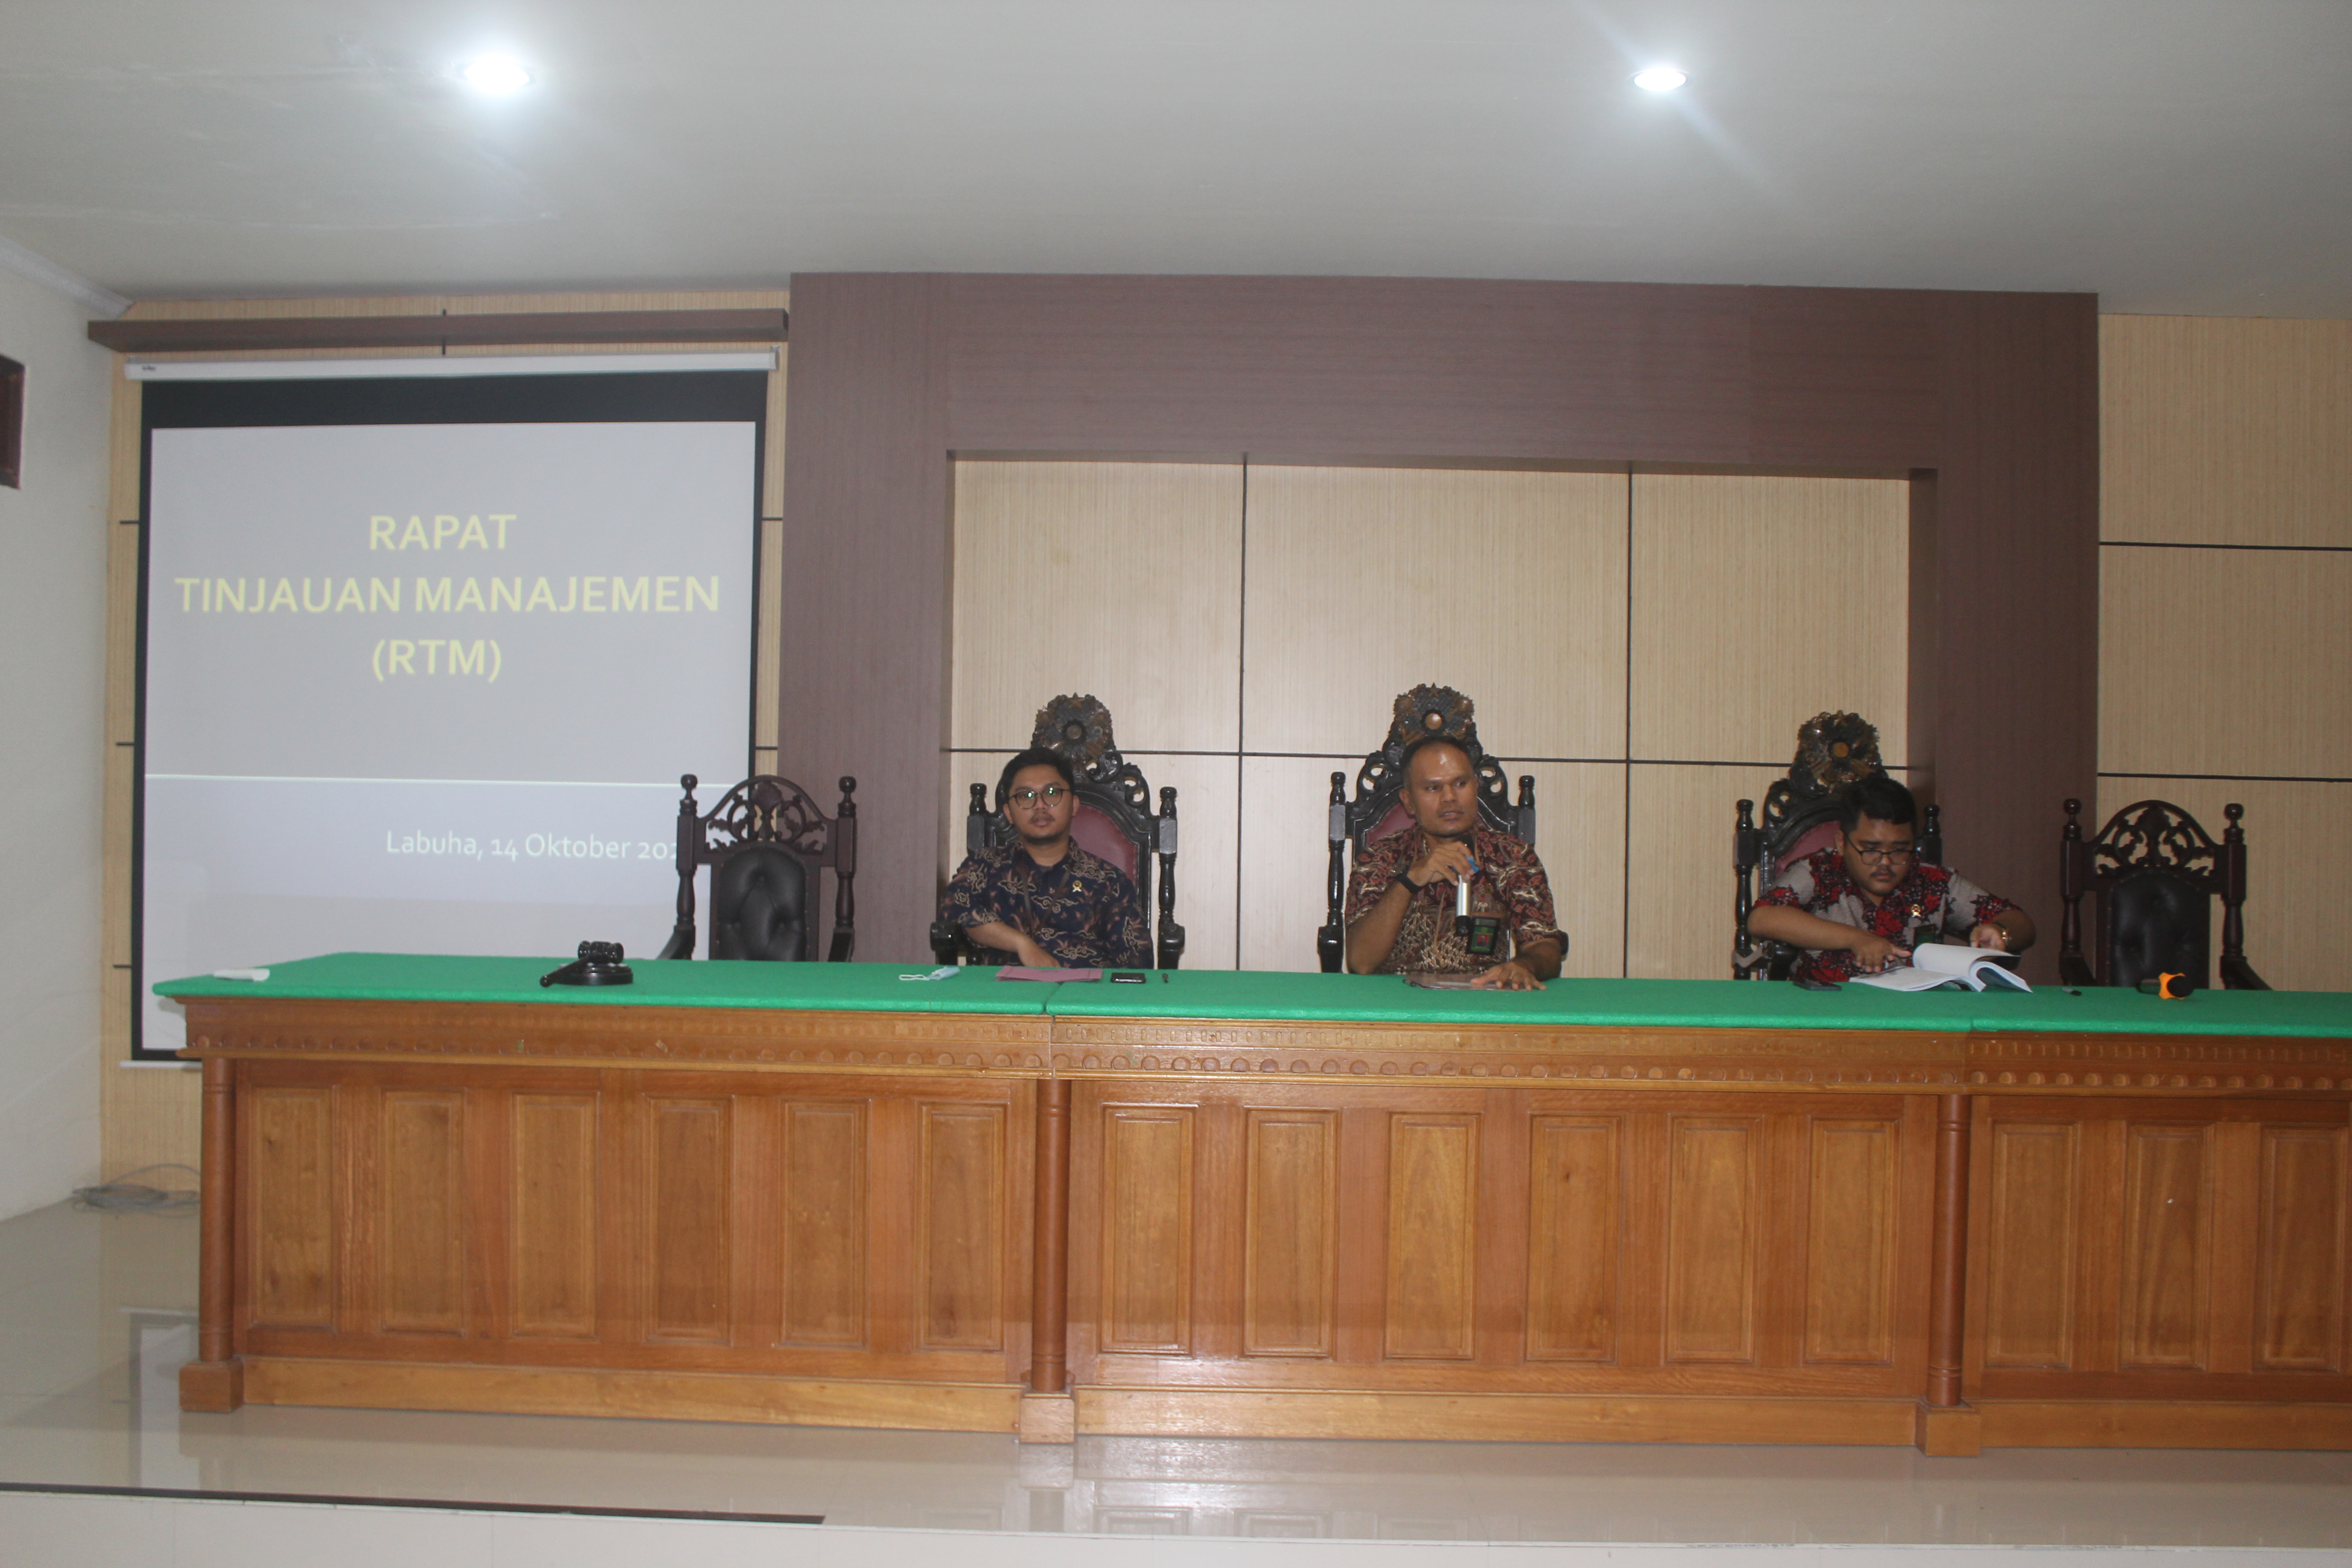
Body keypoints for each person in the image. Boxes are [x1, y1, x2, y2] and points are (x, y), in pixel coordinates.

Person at [1748, 774, 2035, 983]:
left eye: (1899, 850)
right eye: (1871, 850)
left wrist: (2001, 932)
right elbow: (1762, 918)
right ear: (1842, 843)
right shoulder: (1819, 870)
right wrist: (1857, 939)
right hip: (1830, 1016)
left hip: (1916, 1018)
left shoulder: (1932, 880)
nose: (1885, 864)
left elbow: (2021, 923)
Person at [1341, 734, 1564, 989]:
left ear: (1476, 787)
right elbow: (1361, 963)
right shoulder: (1380, 858)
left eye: (1460, 784)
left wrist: (1525, 966)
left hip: (1482, 998)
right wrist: (1409, 881)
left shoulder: (1512, 856)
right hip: (1398, 999)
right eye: (1433, 788)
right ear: (1409, 802)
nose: (1449, 797)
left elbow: (1545, 947)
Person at [938, 747, 1152, 969]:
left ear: (1074, 805)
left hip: (1083, 989)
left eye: (1052, 793)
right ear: (1009, 813)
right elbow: (954, 910)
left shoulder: (1109, 882)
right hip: (1004, 989)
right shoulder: (986, 866)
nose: (1040, 805)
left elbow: (1138, 960)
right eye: (1026, 796)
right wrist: (1022, 944)